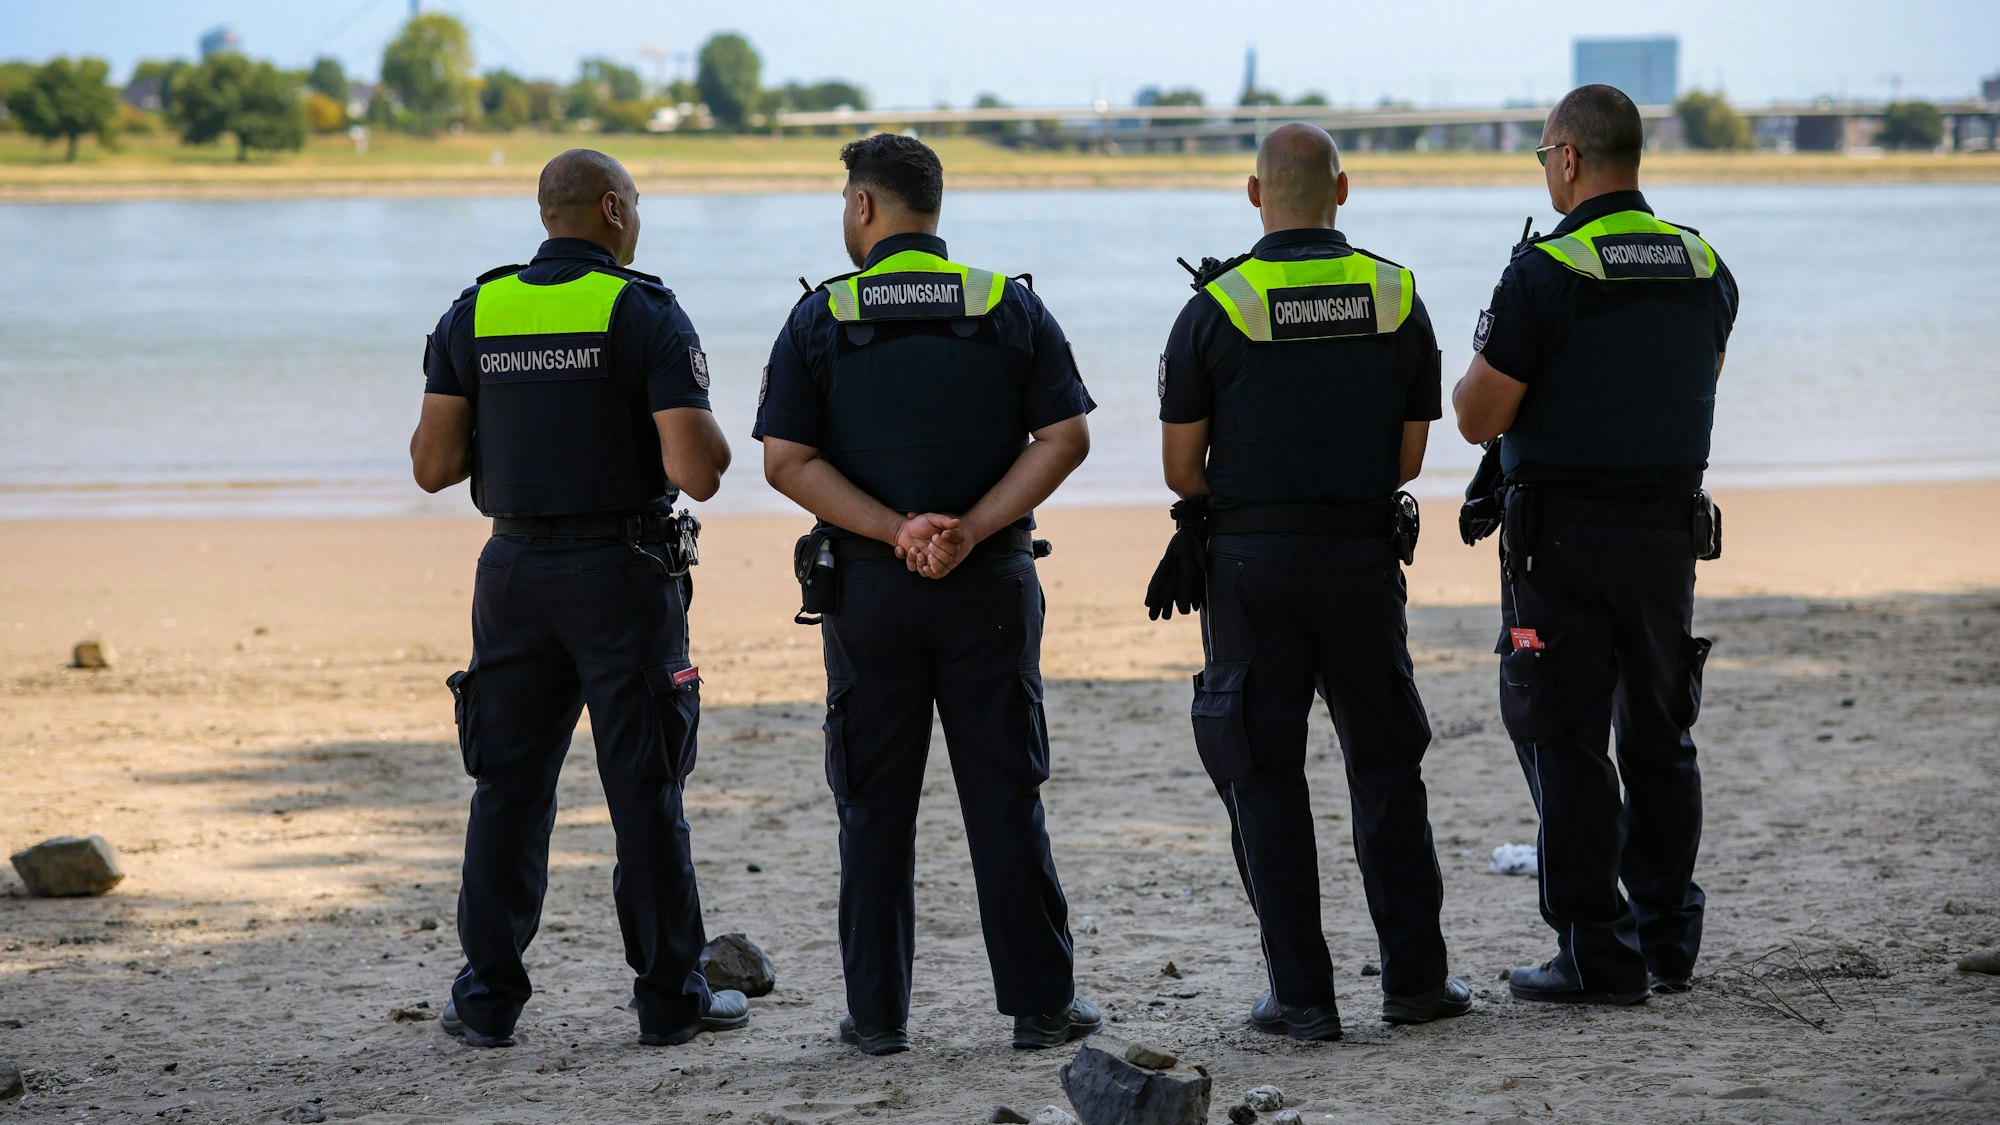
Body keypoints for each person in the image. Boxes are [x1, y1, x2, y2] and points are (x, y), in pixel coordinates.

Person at [754, 133, 1101, 1056]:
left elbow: (786, 461)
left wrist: (893, 530)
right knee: (1006, 795)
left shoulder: (821, 315)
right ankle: (1040, 1009)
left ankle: (878, 1019)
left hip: (870, 594)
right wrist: (970, 529)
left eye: (846, 202)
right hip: (989, 586)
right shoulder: (1007, 304)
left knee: (872, 805)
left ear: (864, 206)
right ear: (934, 207)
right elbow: (1065, 438)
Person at [409, 149, 745, 1049]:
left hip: (512, 573)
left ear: (543, 216)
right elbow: (698, 472)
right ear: (611, 208)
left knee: (507, 791)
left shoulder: (475, 310)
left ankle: (486, 1002)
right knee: (645, 792)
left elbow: (433, 466)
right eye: (636, 202)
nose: (639, 216)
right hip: (622, 576)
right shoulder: (643, 311)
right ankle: (670, 1002)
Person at [1151, 122, 1471, 1041]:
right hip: (1362, 561)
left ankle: (1302, 998)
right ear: (1343, 189)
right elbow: (1408, 458)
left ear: (1256, 194)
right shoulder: (1397, 295)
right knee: (1387, 767)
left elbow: (1181, 471)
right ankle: (1415, 983)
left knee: (1263, 775)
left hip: (1250, 569)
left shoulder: (1215, 307)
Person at [1453, 85, 1739, 1005]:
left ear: (1569, 159)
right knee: (1661, 733)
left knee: (1562, 734)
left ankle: (1596, 953)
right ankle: (1667, 939)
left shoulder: (1545, 272)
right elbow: (1698, 381)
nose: (1547, 172)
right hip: (1666, 537)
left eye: (1545, 157)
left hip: (1560, 544)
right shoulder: (1704, 264)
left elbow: (1477, 416)